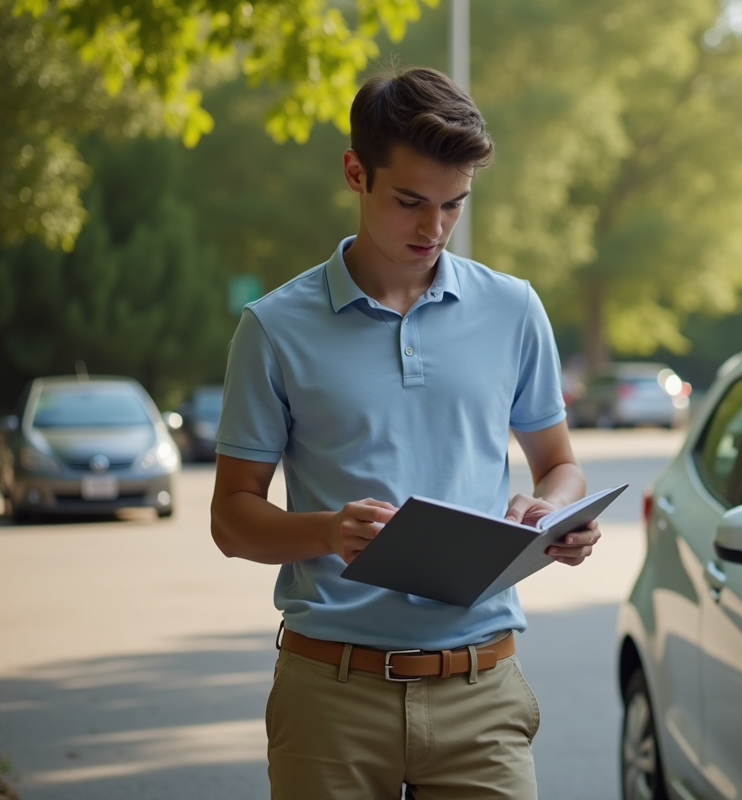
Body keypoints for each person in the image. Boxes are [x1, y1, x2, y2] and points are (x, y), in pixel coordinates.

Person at [209, 65, 599, 800]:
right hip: (330, 696)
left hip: (482, 691)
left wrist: (552, 513)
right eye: (411, 201)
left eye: (455, 205)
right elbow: (231, 518)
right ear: (356, 173)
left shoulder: (513, 309)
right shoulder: (273, 328)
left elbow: (559, 465)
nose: (434, 228)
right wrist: (329, 531)